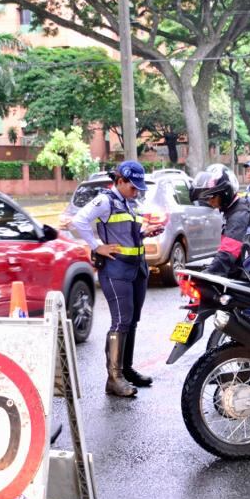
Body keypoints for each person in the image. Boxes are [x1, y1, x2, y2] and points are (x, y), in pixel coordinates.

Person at [72, 161, 164, 398]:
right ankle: (114, 378)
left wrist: (145, 233)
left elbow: (126, 234)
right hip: (116, 270)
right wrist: (97, 246)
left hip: (136, 269)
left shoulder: (127, 202)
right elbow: (79, 221)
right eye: (133, 187)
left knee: (131, 321)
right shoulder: (104, 201)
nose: (137, 192)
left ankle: (126, 370)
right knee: (121, 321)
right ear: (120, 181)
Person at [193, 164, 250, 278]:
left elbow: (228, 252)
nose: (209, 202)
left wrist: (209, 274)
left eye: (212, 197)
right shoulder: (233, 209)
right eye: (207, 199)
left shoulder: (239, 215)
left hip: (248, 275)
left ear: (225, 193)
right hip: (239, 270)